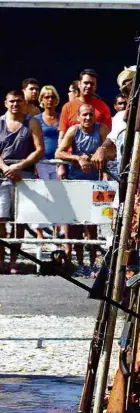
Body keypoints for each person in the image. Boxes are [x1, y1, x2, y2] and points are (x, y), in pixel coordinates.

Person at [55, 104, 109, 275]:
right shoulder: (73, 131)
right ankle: (79, 263)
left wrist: (99, 155)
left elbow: (113, 151)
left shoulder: (102, 130)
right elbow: (58, 153)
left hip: (96, 184)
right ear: (78, 117)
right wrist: (77, 158)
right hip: (76, 183)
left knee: (93, 226)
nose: (87, 118)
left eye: (90, 115)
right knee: (75, 227)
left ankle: (93, 263)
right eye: (84, 115)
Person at [0, 90, 44, 273]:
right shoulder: (0, 122)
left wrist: (20, 166)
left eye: (19, 101)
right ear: (5, 103)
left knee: (20, 221)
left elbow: (39, 149)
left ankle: (14, 261)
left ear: (24, 103)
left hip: (24, 176)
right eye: (12, 101)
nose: (15, 104)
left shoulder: (31, 122)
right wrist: (5, 168)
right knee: (1, 221)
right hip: (2, 176)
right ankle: (0, 260)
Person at [58, 69, 111, 179]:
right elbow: (61, 138)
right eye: (86, 83)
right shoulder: (67, 107)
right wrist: (60, 165)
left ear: (95, 87)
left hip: (98, 167)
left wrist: (105, 169)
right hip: (71, 164)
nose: (88, 86)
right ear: (79, 84)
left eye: (92, 84)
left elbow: (109, 140)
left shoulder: (103, 107)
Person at [91, 65, 136, 175]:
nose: (131, 95)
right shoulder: (119, 117)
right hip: (126, 178)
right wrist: (101, 149)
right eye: (126, 92)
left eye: (133, 88)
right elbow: (112, 140)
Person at [34, 85, 61, 239]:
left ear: (56, 99)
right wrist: (35, 164)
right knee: (42, 196)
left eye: (52, 97)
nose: (49, 100)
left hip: (58, 162)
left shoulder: (60, 117)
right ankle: (39, 234)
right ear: (41, 100)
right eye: (46, 97)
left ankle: (57, 233)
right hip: (41, 162)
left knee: (57, 197)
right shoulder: (36, 120)